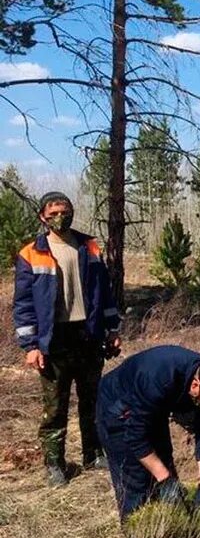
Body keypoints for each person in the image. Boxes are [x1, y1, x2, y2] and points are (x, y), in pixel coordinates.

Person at [13, 191, 121, 487]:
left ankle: (93, 453)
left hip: (87, 334)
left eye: (65, 211)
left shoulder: (89, 246)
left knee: (92, 399)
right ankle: (54, 464)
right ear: (43, 218)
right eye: (54, 214)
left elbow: (105, 293)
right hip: (54, 339)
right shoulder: (31, 253)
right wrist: (31, 346)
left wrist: (112, 329)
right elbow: (23, 304)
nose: (61, 217)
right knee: (55, 406)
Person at [96, 345, 200, 528]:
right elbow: (136, 437)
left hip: (154, 406)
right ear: (196, 386)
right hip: (118, 408)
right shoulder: (158, 377)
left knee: (164, 464)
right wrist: (165, 480)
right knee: (136, 482)